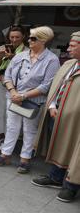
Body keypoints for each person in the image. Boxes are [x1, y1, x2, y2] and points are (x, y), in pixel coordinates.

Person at [0, 27, 60, 174]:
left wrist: (23, 96)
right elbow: (7, 75)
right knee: (11, 126)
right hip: (13, 97)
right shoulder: (20, 56)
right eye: (29, 37)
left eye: (33, 38)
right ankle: (6, 154)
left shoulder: (52, 60)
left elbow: (47, 85)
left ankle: (25, 158)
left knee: (29, 130)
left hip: (33, 101)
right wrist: (13, 92)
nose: (29, 40)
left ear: (43, 40)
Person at [31, 31, 80, 202]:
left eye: (73, 46)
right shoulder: (69, 64)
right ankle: (55, 177)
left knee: (76, 152)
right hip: (56, 114)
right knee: (59, 145)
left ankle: (72, 186)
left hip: (76, 120)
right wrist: (52, 105)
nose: (68, 48)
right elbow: (57, 87)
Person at [0, 26, 26, 148]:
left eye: (17, 37)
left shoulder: (27, 51)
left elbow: (27, 70)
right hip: (0, 81)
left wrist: (14, 58)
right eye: (12, 37)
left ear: (23, 37)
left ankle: (8, 141)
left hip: (15, 86)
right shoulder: (1, 48)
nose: (14, 40)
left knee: (11, 113)